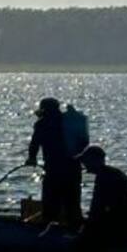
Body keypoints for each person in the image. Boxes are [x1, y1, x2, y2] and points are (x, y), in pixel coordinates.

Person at [25, 97, 83, 228]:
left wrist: (31, 158)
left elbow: (34, 143)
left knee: (51, 200)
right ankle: (75, 227)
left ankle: (48, 229)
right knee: (72, 201)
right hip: (73, 167)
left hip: (53, 168)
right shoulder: (69, 122)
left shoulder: (42, 123)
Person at [75, 145, 127, 248]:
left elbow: (97, 209)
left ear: (94, 160)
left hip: (123, 224)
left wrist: (85, 228)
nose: (83, 164)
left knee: (82, 242)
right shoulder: (110, 173)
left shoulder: (104, 178)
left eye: (85, 160)